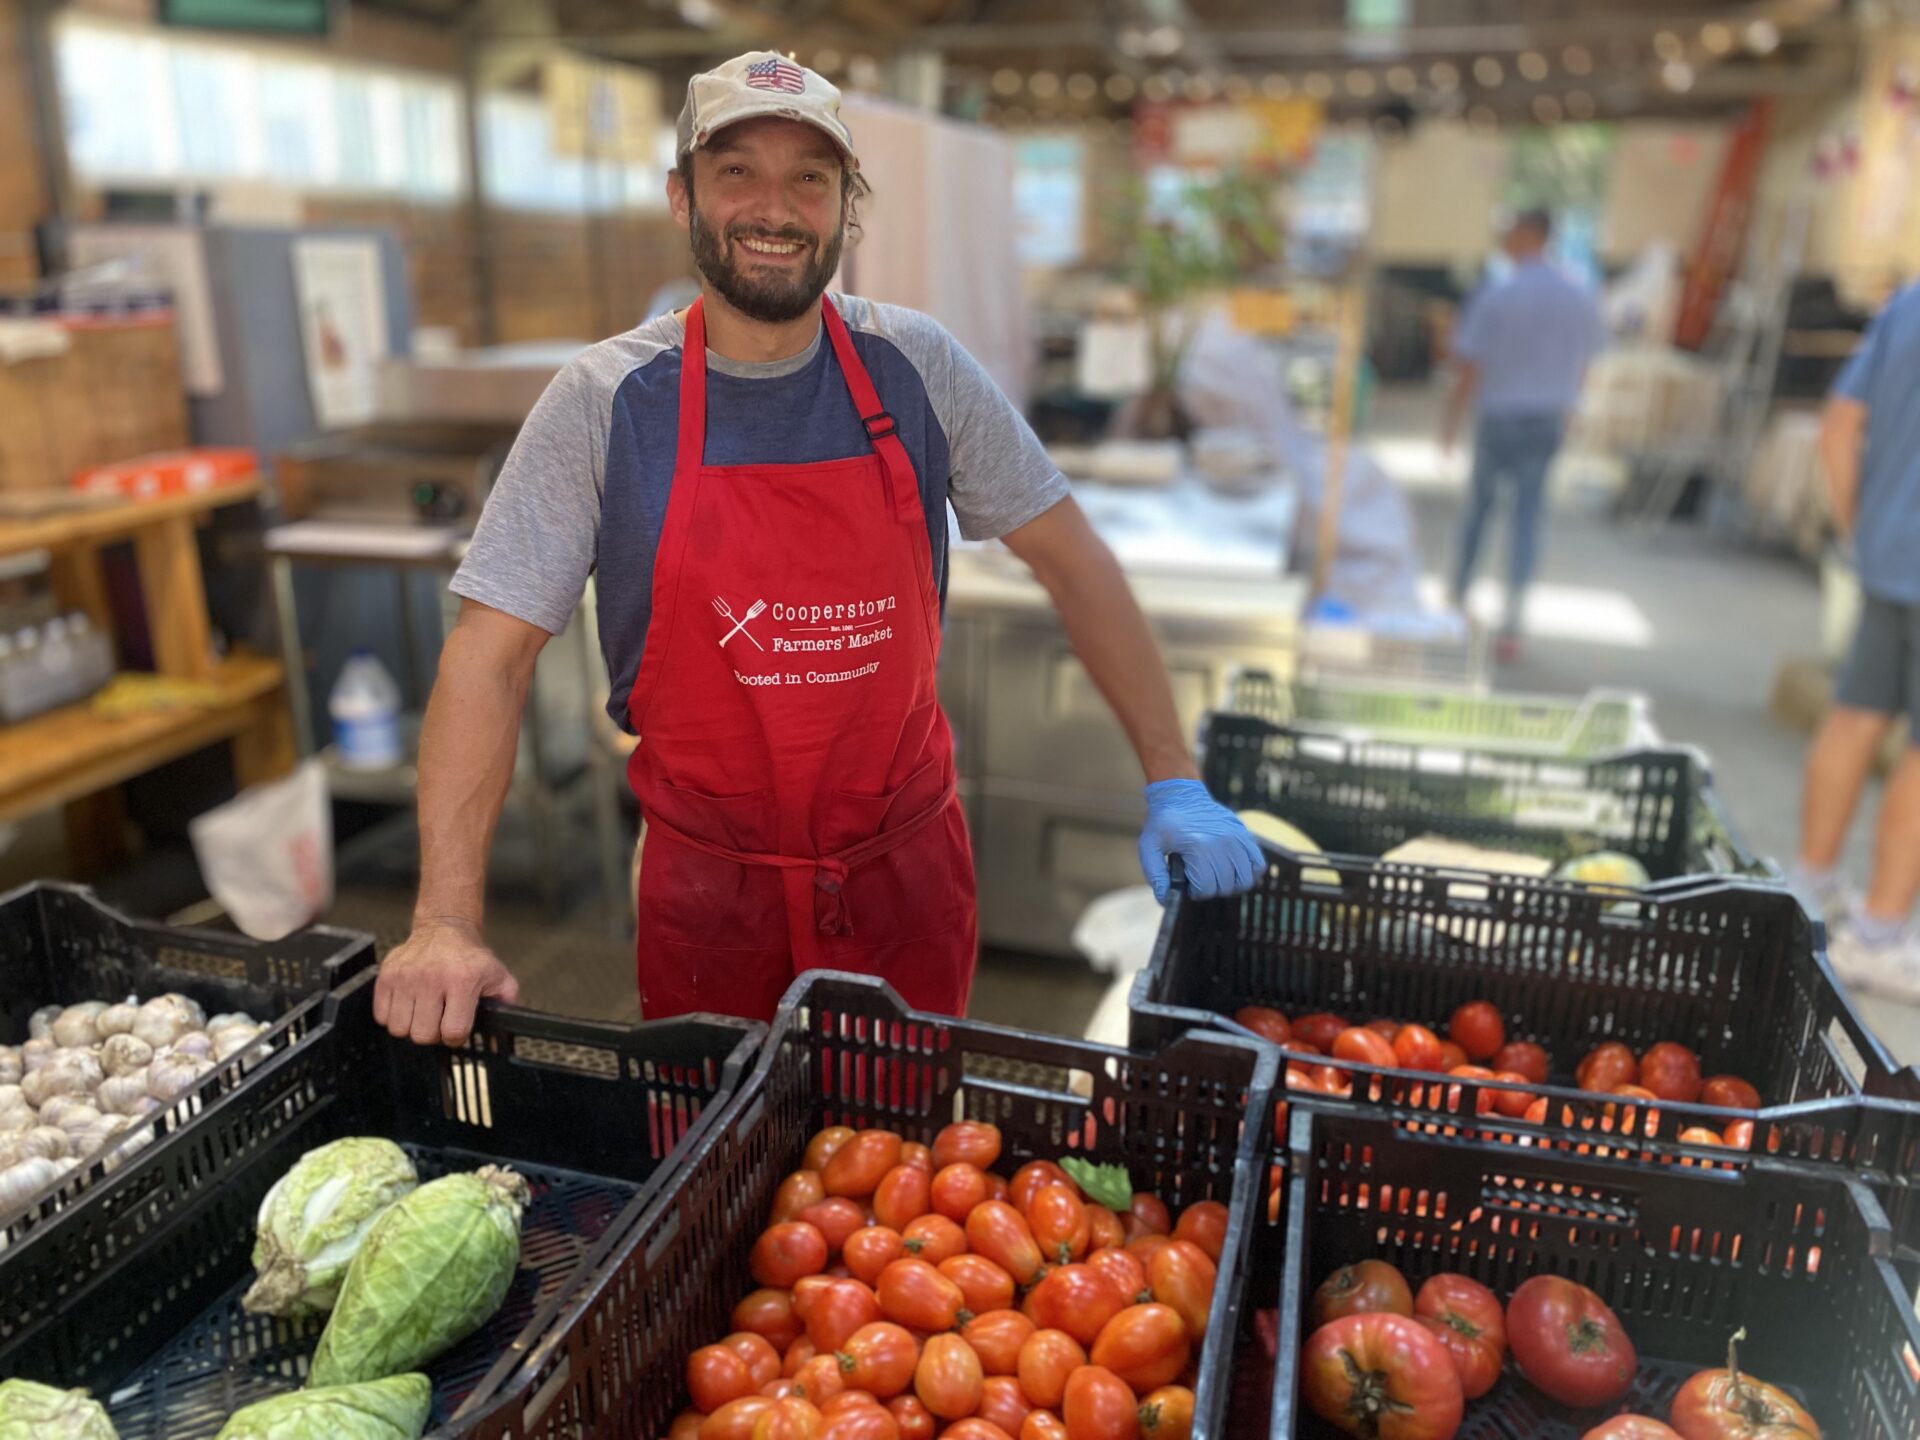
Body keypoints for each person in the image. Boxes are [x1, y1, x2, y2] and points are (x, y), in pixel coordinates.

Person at [372, 53, 1263, 1044]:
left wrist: (1172, 774)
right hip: (712, 893)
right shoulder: (606, 402)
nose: (775, 206)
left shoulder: (916, 365)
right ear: (682, 197)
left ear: (849, 206)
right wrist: (445, 922)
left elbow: (1072, 558)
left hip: (903, 877)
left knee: (914, 1177)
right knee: (723, 1169)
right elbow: (486, 660)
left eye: (811, 177)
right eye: (737, 171)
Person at [1793, 282, 1920, 999]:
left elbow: (1837, 427)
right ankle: (1877, 934)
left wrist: (1861, 533)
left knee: (1856, 714)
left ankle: (1810, 888)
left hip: (1889, 556)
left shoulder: (1909, 304)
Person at [1442, 208, 1606, 663]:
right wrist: (1572, 407)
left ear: (1529, 234)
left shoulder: (1498, 293)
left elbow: (1469, 364)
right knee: (1527, 520)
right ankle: (1512, 623)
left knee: (1480, 511)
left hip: (1500, 417)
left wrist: (1451, 422)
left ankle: (1457, 603)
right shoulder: (1577, 293)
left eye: (1509, 231)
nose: (1502, 238)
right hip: (1546, 419)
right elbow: (1586, 361)